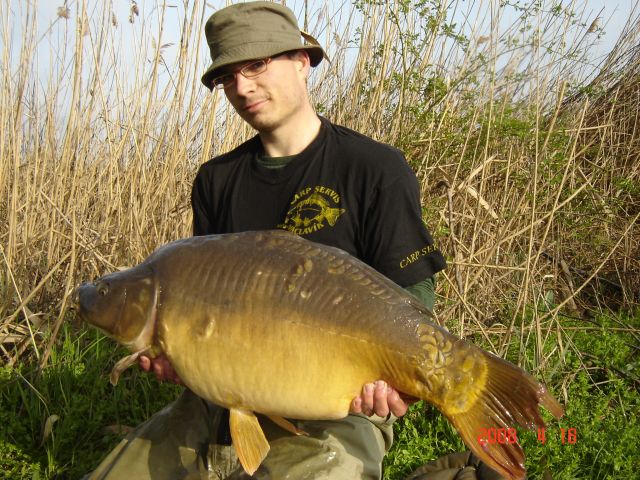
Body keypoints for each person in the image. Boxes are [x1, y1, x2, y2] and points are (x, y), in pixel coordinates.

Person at [85, 2, 446, 479]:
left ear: (302, 61)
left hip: (338, 408)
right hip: (222, 397)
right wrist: (181, 357)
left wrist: (397, 381)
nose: (243, 87)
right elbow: (203, 310)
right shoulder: (215, 180)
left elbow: (414, 298)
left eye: (257, 65)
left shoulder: (375, 168)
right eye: (227, 77)